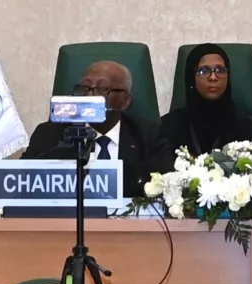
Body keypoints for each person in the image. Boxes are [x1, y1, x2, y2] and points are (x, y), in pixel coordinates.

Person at [23, 57, 160, 199]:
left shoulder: (150, 137)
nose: (89, 95)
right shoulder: (48, 135)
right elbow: (23, 182)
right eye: (85, 88)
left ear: (125, 101)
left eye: (102, 89)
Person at [156, 44, 252, 158]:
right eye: (204, 71)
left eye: (220, 70)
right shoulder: (169, 128)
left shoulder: (248, 130)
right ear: (192, 78)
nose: (213, 77)